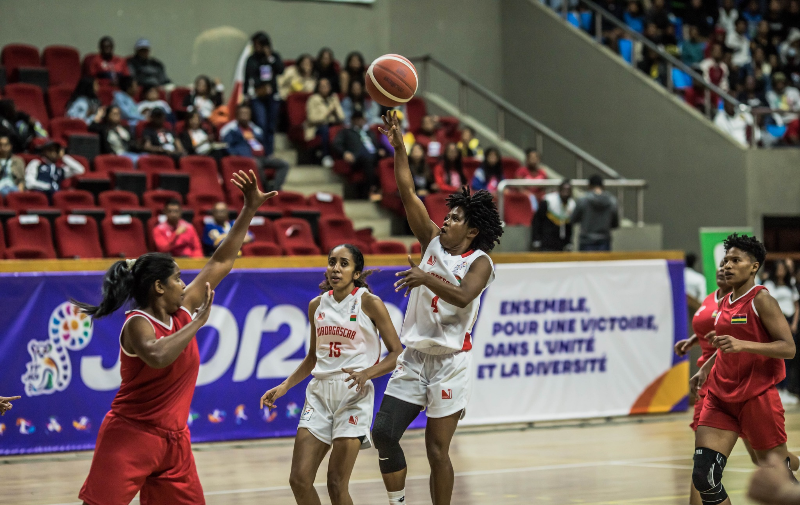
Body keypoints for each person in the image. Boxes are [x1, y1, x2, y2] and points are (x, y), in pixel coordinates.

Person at [74, 170, 274, 505]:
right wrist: (197, 324)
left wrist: (249, 210)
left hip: (175, 443)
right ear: (159, 287)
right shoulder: (138, 323)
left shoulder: (182, 310)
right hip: (130, 436)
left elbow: (222, 260)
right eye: (179, 278)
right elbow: (156, 355)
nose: (185, 284)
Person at [374, 111, 503, 505]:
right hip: (414, 358)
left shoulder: (480, 262)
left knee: (436, 451)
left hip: (450, 362)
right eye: (447, 214)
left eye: (456, 218)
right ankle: (397, 502)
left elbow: (464, 296)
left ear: (473, 230)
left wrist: (425, 278)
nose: (446, 220)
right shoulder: (431, 240)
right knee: (383, 433)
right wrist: (399, 149)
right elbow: (408, 193)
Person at [260, 244, 403, 505]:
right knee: (299, 480)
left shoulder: (369, 303)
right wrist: (284, 386)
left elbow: (396, 353)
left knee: (336, 484)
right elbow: (313, 356)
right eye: (331, 262)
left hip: (353, 394)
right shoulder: (316, 305)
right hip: (319, 393)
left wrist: (367, 374)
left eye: (343, 263)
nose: (335, 268)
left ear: (357, 273)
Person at [689, 234, 797, 505]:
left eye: (735, 260)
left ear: (754, 267)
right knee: (705, 477)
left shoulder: (762, 300)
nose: (727, 265)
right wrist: (707, 368)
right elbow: (727, 344)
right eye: (726, 260)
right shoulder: (725, 302)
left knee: (778, 478)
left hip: (757, 396)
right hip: (720, 396)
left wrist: (744, 345)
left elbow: (788, 348)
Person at [220, 104, 290, 191]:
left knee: (284, 164)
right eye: (242, 113)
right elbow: (226, 145)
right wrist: (235, 155)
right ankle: (266, 188)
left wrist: (268, 154)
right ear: (237, 115)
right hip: (246, 158)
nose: (245, 115)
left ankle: (275, 189)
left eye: (247, 113)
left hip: (262, 157)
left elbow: (263, 143)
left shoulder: (255, 129)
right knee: (256, 164)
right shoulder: (231, 130)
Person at [764, 260, 800, 402]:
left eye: (783, 269)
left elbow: (797, 306)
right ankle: (776, 388)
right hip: (775, 321)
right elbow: (767, 304)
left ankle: (785, 388)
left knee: (788, 356)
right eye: (778, 268)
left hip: (790, 321)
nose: (781, 271)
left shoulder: (791, 286)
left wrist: (795, 324)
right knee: (775, 356)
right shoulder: (769, 285)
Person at [244, 32, 284, 157]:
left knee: (271, 126)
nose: (256, 47)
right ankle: (261, 152)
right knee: (261, 124)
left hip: (273, 97)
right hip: (257, 96)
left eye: (258, 44)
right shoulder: (251, 59)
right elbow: (248, 77)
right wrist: (246, 95)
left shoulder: (274, 56)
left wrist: (270, 58)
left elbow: (280, 70)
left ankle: (269, 153)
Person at [332, 111, 385, 201]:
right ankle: (369, 191)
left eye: (362, 119)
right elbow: (336, 144)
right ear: (353, 120)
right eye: (357, 119)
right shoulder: (346, 132)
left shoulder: (369, 132)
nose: (360, 121)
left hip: (374, 156)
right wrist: (345, 153)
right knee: (367, 160)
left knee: (388, 160)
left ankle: (388, 193)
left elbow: (376, 145)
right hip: (356, 158)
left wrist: (380, 150)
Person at [572, 175, 619, 251]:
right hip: (604, 240)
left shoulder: (583, 201)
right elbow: (615, 224)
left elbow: (573, 219)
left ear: (589, 186)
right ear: (603, 186)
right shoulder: (612, 201)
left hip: (586, 240)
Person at [306, 78, 344, 168]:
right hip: (316, 127)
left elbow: (342, 117)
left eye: (327, 86)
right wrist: (329, 110)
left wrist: (336, 107)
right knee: (325, 129)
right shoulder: (313, 99)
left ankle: (341, 157)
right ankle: (326, 156)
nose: (325, 88)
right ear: (318, 88)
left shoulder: (333, 98)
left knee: (341, 130)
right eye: (322, 86)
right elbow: (312, 118)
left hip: (332, 124)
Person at [531, 180, 575, 251]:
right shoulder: (548, 201)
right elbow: (537, 220)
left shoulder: (571, 205)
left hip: (561, 242)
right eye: (564, 190)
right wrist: (536, 239)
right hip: (546, 240)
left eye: (568, 190)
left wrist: (568, 242)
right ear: (559, 190)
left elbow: (569, 226)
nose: (566, 193)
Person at [766, 72, 800, 144]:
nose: (779, 84)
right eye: (777, 82)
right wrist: (780, 125)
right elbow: (773, 111)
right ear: (774, 84)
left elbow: (799, 106)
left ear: (785, 82)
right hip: (780, 123)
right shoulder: (771, 95)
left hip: (793, 119)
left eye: (781, 82)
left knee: (793, 133)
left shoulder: (793, 92)